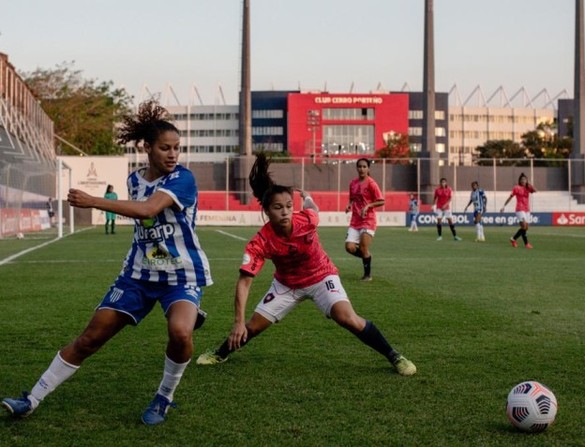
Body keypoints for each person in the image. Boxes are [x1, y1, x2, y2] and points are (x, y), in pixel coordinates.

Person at [1, 100, 213, 425]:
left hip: (181, 275)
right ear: (147, 148)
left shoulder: (182, 179)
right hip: (138, 276)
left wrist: (93, 202)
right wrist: (150, 258)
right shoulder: (134, 180)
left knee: (181, 333)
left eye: (177, 148)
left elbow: (147, 211)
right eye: (165, 148)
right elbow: (147, 228)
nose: (173, 155)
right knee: (90, 338)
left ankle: (163, 398)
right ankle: (30, 399)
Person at [196, 153, 416, 376]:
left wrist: (308, 197)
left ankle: (394, 355)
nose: (285, 212)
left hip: (322, 276)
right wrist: (238, 322)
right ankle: (220, 353)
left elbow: (311, 208)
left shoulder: (308, 220)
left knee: (348, 319)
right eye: (278, 207)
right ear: (266, 210)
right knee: (252, 327)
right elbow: (244, 282)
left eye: (289, 206)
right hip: (287, 285)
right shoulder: (260, 242)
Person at [344, 158, 385, 281]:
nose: (362, 169)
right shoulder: (353, 183)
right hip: (355, 220)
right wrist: (349, 205)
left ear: (368, 169)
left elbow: (382, 201)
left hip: (368, 220)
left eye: (364, 167)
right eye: (359, 166)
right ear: (357, 168)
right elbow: (352, 198)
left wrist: (368, 206)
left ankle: (367, 275)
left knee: (363, 247)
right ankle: (367, 256)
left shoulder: (371, 183)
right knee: (349, 247)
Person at [500, 172, 537, 249]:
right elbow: (510, 197)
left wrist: (529, 184)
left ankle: (513, 239)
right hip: (519, 209)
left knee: (525, 228)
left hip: (527, 209)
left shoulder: (528, 187)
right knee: (523, 225)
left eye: (524, 179)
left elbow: (535, 190)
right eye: (522, 179)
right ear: (519, 181)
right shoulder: (516, 188)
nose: (523, 181)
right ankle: (526, 244)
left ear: (526, 180)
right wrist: (504, 206)